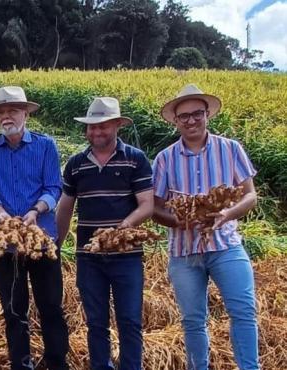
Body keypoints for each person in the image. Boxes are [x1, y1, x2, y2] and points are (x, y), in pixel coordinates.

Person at [152, 84, 259, 370]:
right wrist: (181, 221)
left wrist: (226, 213)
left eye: (196, 114)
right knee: (193, 320)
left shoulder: (230, 148)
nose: (190, 121)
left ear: (207, 114)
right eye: (183, 116)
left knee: (244, 312)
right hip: (184, 251)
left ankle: (250, 367)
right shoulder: (165, 158)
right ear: (175, 121)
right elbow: (155, 207)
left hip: (226, 245)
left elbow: (250, 194)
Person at [56, 97, 153, 370]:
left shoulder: (135, 159)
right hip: (89, 256)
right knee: (96, 321)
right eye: (92, 127)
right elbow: (65, 208)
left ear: (118, 126)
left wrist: (125, 226)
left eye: (103, 127)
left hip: (126, 254)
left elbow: (147, 204)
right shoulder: (76, 164)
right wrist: (57, 245)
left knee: (130, 320)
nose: (96, 132)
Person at [0, 86, 69, 370]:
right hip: (6, 243)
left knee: (51, 305)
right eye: (1, 112)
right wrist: (1, 213)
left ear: (25, 114)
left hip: (42, 240)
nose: (6, 116)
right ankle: (21, 363)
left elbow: (54, 186)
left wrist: (35, 211)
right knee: (14, 309)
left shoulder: (45, 146)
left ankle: (56, 361)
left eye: (13, 110)